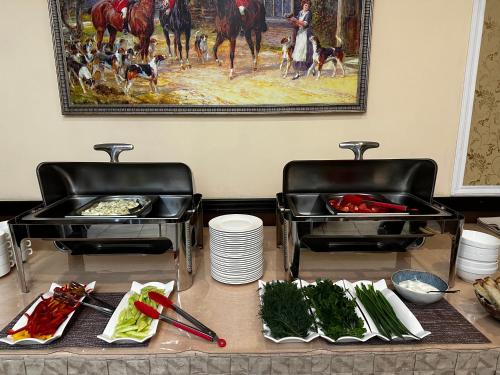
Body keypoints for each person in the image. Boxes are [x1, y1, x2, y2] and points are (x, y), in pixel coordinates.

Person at [287, 0, 313, 80]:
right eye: (305, 5)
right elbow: (297, 24)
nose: (306, 7)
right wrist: (291, 20)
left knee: (306, 53)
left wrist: (296, 20)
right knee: (297, 53)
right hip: (300, 35)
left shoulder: (309, 14)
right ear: (303, 5)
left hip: (306, 34)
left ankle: (312, 69)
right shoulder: (300, 12)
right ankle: (297, 73)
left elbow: (305, 24)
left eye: (308, 6)